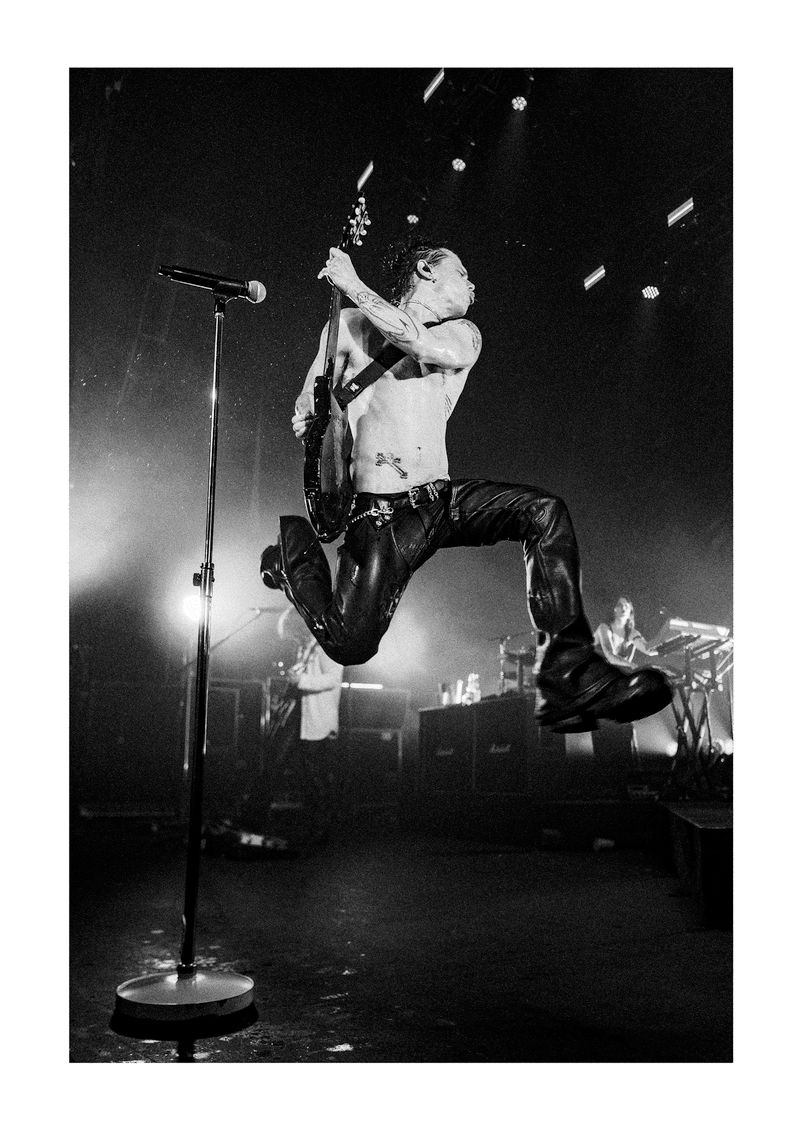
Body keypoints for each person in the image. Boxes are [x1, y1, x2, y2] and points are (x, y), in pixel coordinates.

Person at [260, 238, 672, 733]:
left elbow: (418, 342)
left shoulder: (464, 334)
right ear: (425, 270)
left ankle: (567, 673)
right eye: (461, 273)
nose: (472, 285)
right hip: (379, 517)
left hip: (440, 501)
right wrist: (311, 420)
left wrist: (353, 284)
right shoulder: (343, 328)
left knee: (544, 513)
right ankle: (296, 560)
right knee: (350, 645)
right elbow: (311, 412)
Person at [271, 607, 344, 841]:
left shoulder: (326, 645)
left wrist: (301, 679)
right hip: (303, 717)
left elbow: (334, 679)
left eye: (294, 634)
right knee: (304, 772)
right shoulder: (307, 647)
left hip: (319, 720)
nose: (293, 640)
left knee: (316, 775)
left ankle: (323, 826)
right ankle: (314, 823)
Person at [594, 597, 658, 669]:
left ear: (630, 612)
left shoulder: (631, 632)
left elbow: (648, 650)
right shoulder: (604, 628)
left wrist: (668, 645)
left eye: (626, 606)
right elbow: (610, 656)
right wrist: (631, 665)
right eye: (620, 605)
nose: (623, 608)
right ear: (614, 609)